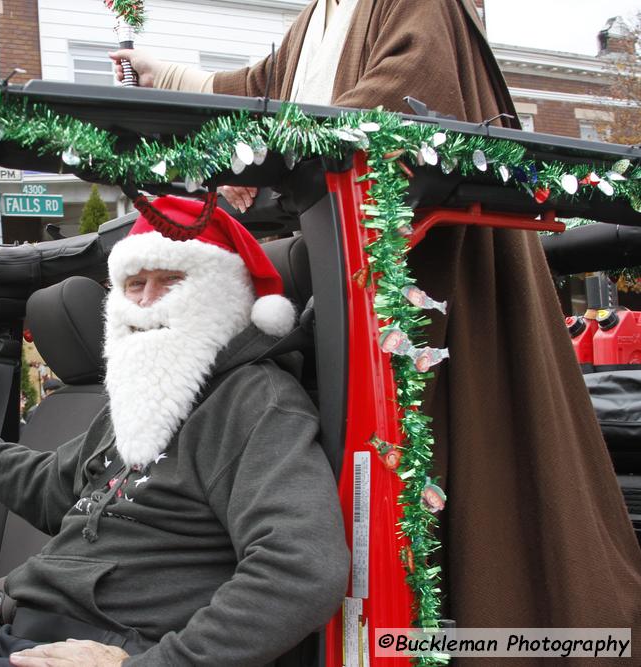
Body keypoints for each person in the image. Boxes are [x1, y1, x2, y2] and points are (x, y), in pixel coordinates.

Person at [111, 0, 641, 646]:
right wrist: (160, 74)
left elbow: (402, 100)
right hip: (346, 291)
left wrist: (256, 154)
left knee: (458, 501)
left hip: (424, 299)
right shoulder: (318, 18)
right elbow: (253, 88)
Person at [0, 196, 349, 666]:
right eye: (135, 283)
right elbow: (46, 487)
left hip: (112, 646)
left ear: (224, 295)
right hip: (22, 630)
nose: (147, 300)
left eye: (171, 279)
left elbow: (301, 567)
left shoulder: (256, 401)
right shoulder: (138, 402)